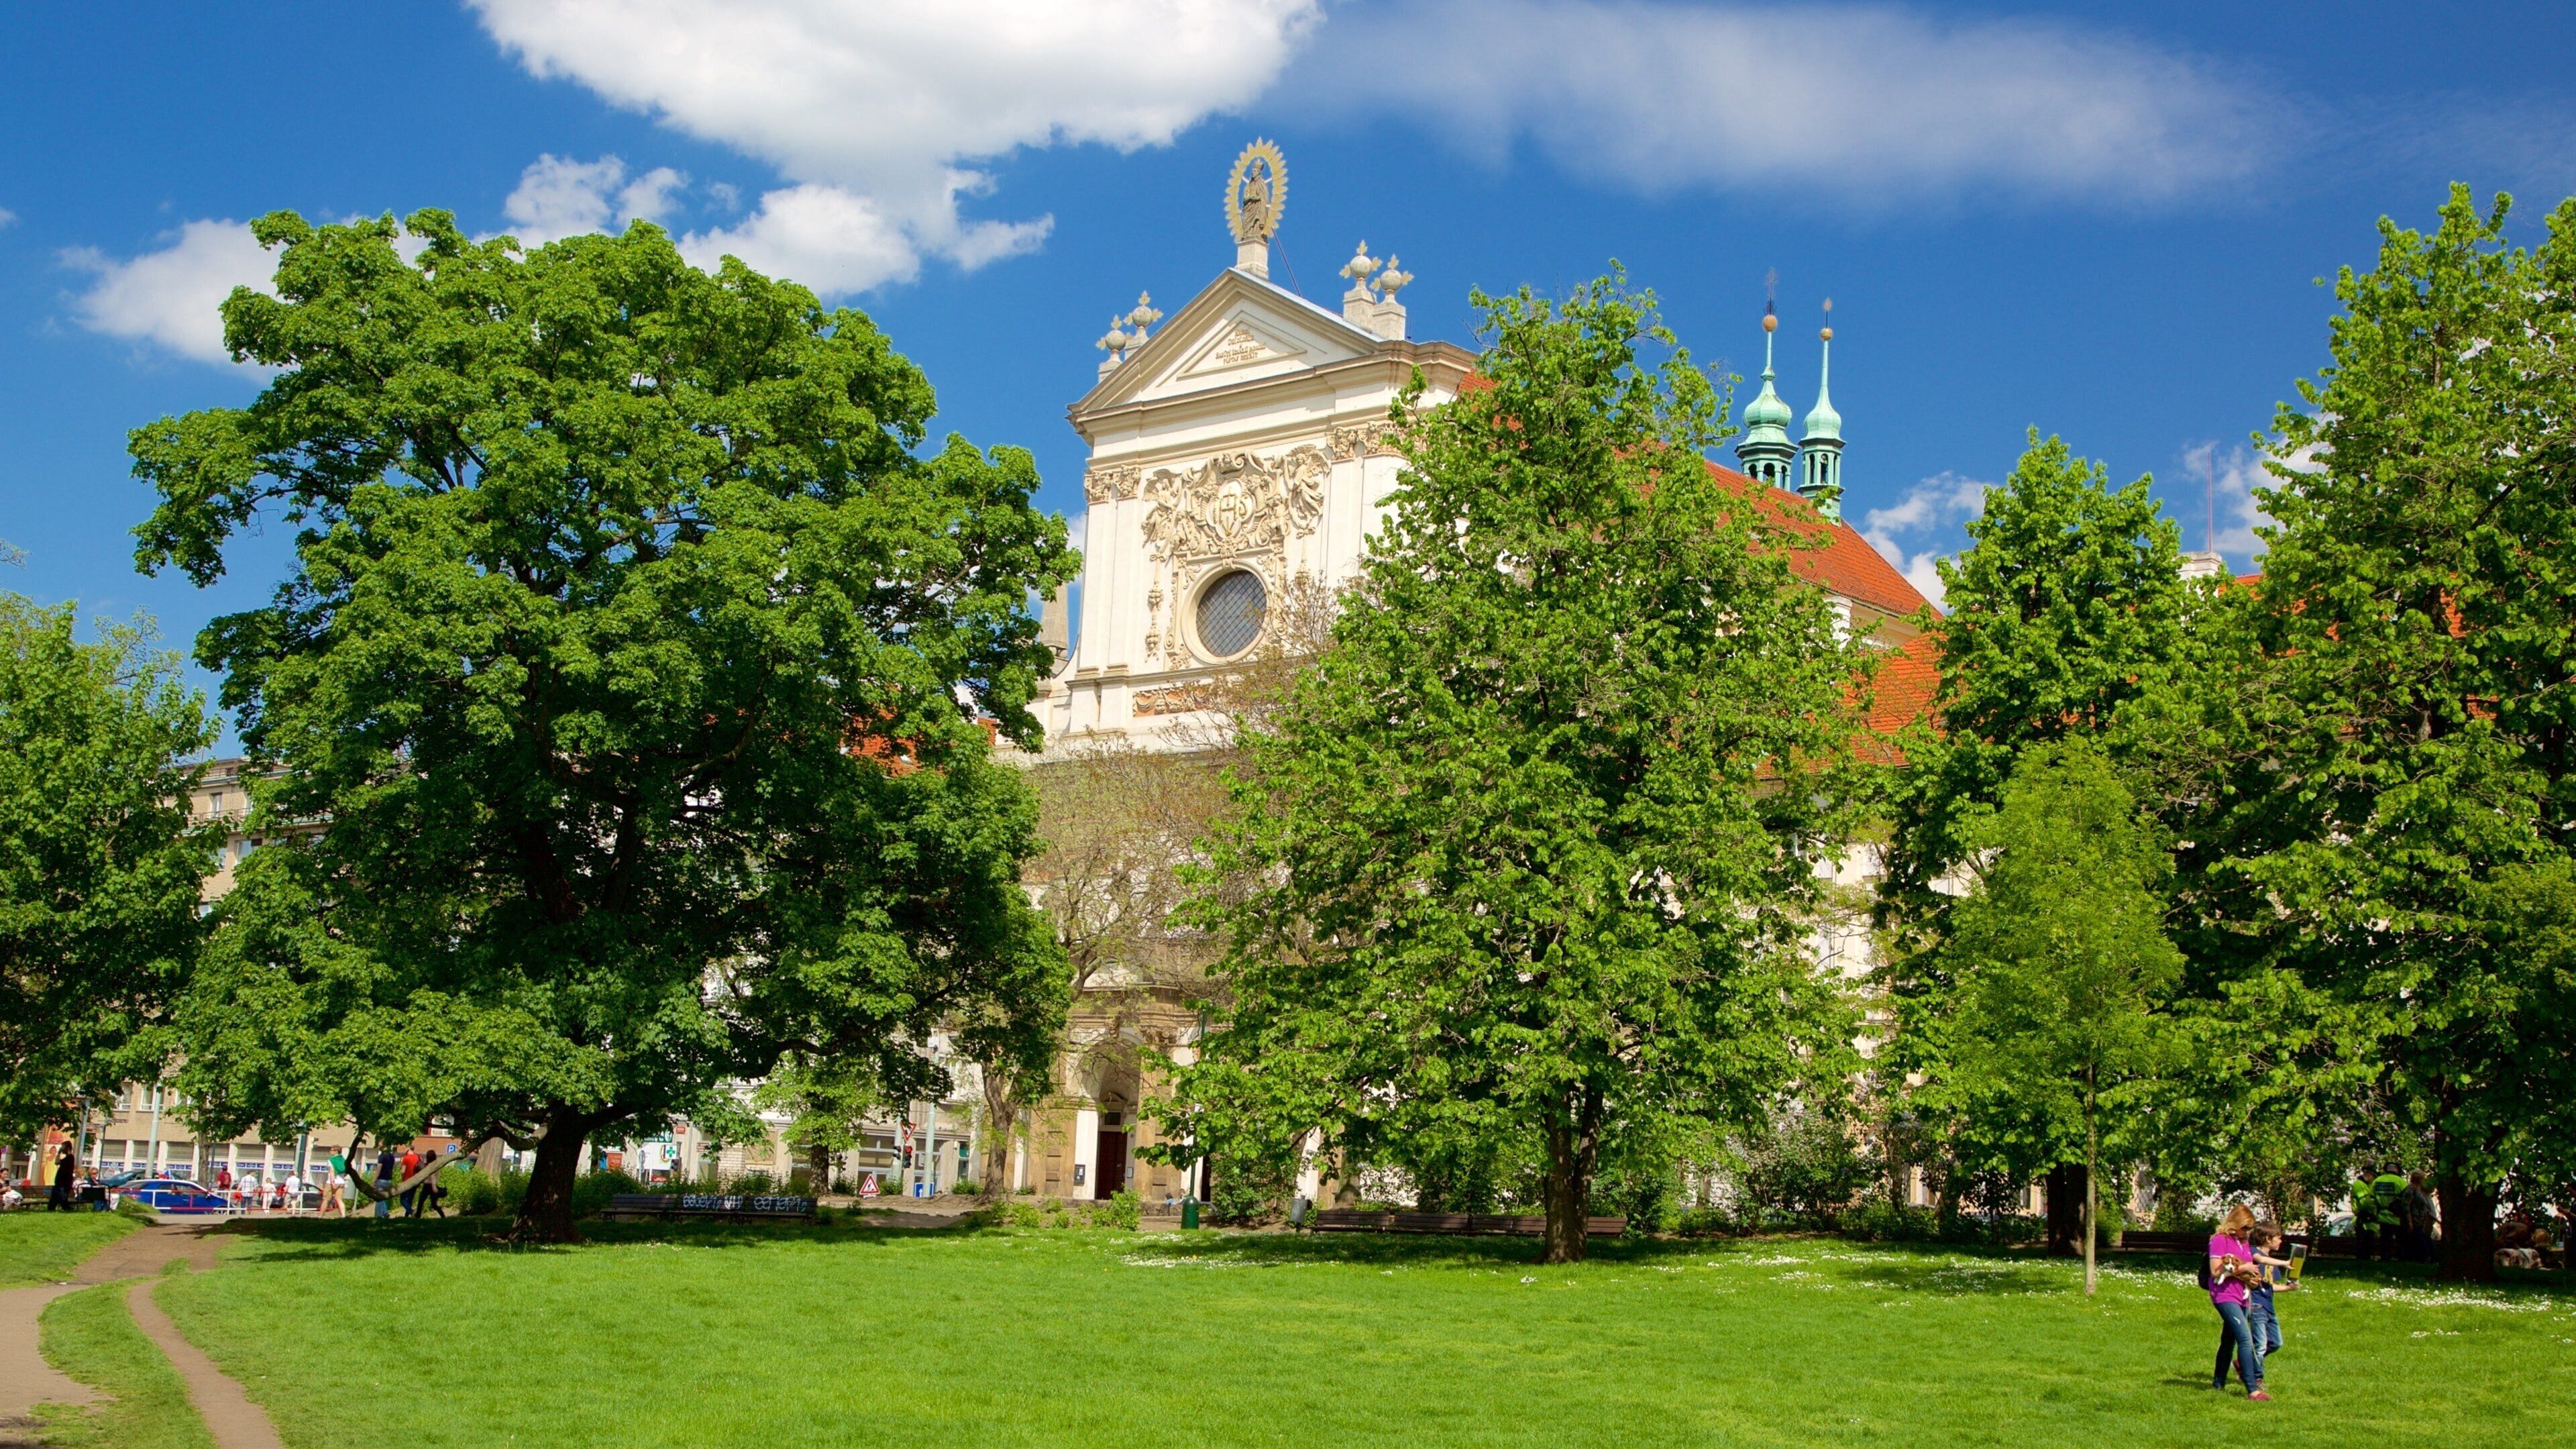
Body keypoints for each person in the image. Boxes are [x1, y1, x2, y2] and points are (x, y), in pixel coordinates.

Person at [2207, 1204, 2269, 1399]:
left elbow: (2246, 1267)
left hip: (2241, 1296)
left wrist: (2252, 1278)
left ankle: (2218, 1384)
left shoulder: (2243, 1243)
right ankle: (2252, 1389)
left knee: (2228, 1341)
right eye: (2245, 1228)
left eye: (2250, 1229)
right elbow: (2216, 1270)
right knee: (2245, 1338)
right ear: (2235, 1223)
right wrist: (2244, 1270)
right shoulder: (2219, 1241)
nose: (2248, 1232)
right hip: (2224, 1295)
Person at [2247, 1222, 2296, 1363]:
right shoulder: (2253, 1251)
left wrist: (2289, 1288)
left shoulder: (2272, 1262)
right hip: (2256, 1306)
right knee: (2260, 1345)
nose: (2281, 1241)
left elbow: (2270, 1286)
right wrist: (2284, 1263)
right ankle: (2255, 1378)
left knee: (2276, 1342)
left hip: (2269, 1307)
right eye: (2278, 1238)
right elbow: (2261, 1259)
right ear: (2268, 1239)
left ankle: (2242, 1364)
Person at [2404, 1172, 2438, 1263]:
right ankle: (2422, 1260)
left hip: (2421, 1221)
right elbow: (2406, 1206)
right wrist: (2409, 1222)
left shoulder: (2418, 1190)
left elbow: (2424, 1207)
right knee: (2423, 1242)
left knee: (2425, 1241)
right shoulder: (2410, 1189)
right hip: (2414, 1220)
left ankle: (2427, 1259)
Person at [48, 1144, 75, 1212]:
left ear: (67, 1148)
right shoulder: (68, 1158)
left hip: (63, 1183)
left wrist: (59, 1152)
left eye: (63, 1147)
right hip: (59, 1183)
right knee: (54, 1200)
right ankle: (52, 1209)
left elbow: (57, 1162)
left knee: (63, 1199)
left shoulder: (70, 1157)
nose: (62, 1149)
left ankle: (68, 1209)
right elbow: (56, 1162)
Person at [398, 1146, 422, 1216]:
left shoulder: (406, 1158)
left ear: (408, 1149)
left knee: (402, 1200)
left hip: (407, 1181)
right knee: (410, 1199)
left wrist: (402, 1179)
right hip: (415, 1181)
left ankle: (412, 1212)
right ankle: (407, 1216)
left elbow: (403, 1171)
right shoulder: (419, 1157)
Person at [373, 1146, 396, 1220]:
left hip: (381, 1180)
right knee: (382, 1198)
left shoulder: (381, 1156)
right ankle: (384, 1213)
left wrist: (374, 1181)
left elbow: (379, 1168)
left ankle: (382, 1215)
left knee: (379, 1198)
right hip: (389, 1180)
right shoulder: (392, 1156)